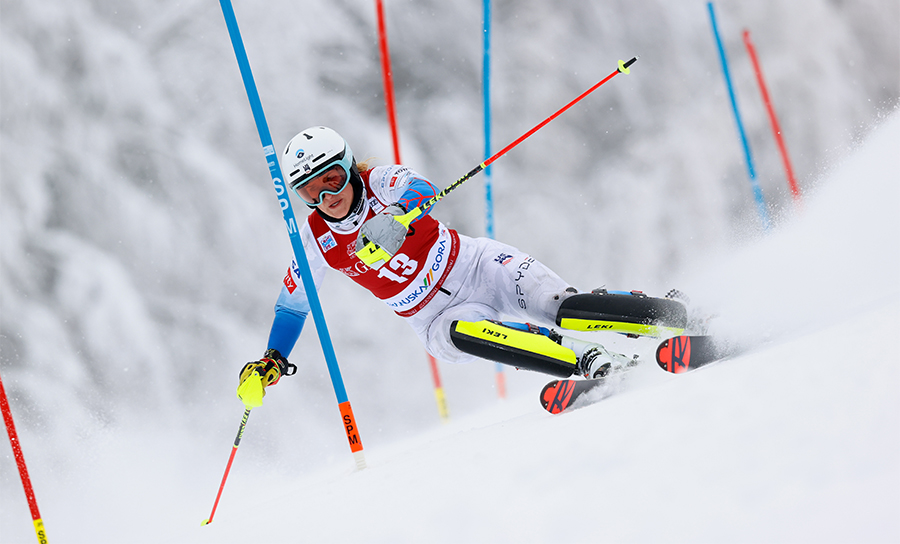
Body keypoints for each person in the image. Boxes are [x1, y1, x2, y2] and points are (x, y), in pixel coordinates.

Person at [237, 126, 685, 407]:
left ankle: (671, 315)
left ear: (348, 167)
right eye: (310, 190)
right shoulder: (314, 240)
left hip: (476, 265)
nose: (327, 196)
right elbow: (293, 307)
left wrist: (397, 218)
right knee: (466, 334)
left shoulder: (377, 181)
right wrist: (272, 360)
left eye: (332, 178)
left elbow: (419, 186)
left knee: (565, 309)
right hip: (434, 318)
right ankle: (592, 362)